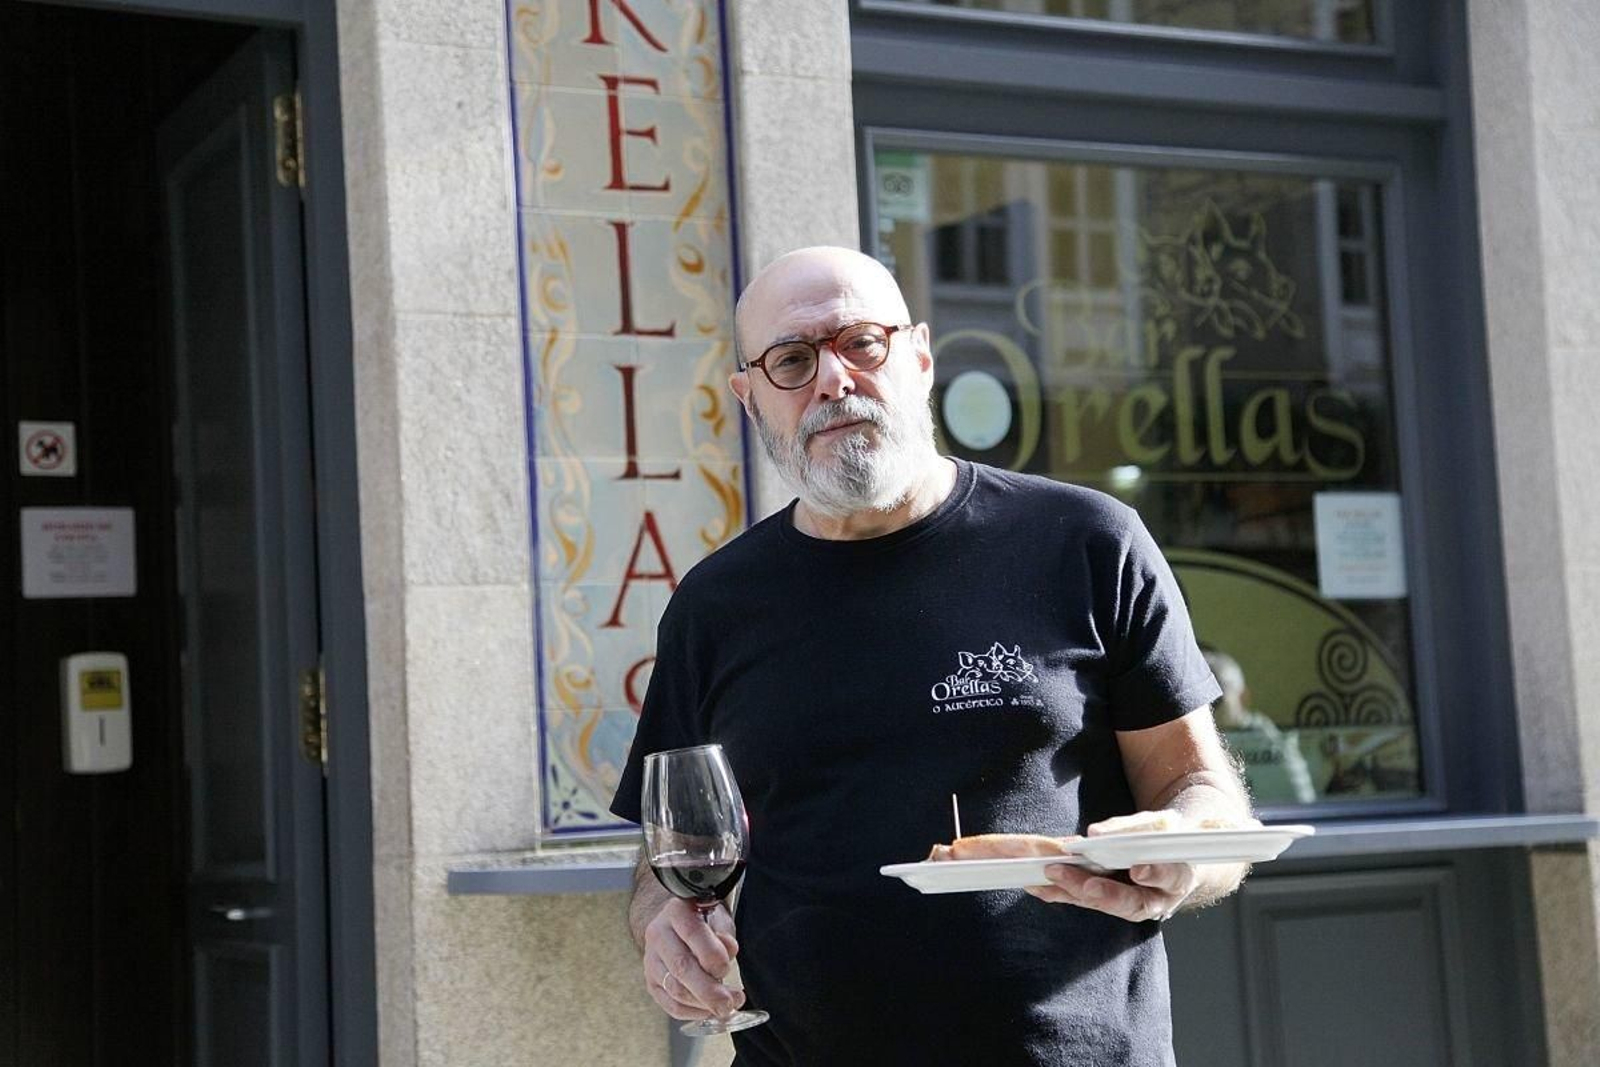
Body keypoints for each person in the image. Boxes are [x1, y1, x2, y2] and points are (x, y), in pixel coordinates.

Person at [610, 246, 1254, 1065]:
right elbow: (662, 858)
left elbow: (1200, 790)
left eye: (861, 344)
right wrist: (660, 926)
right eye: (793, 360)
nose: (833, 380)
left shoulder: (1086, 542)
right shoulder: (714, 604)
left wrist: (1188, 851)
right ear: (751, 398)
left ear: (918, 356)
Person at [1203, 647, 1317, 805]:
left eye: (1216, 695)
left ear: (1243, 698)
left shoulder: (1266, 740)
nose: (1206, 705)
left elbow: (1299, 800)